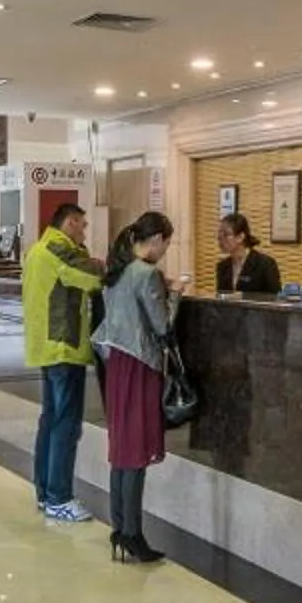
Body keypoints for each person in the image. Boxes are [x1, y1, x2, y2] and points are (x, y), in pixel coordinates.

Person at [94, 210, 177, 565]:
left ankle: (121, 528)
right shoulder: (147, 274)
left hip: (116, 364)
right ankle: (133, 534)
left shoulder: (117, 272)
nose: (165, 251)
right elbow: (163, 325)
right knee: (137, 453)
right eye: (167, 243)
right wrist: (177, 294)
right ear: (156, 238)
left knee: (121, 452)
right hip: (141, 365)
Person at [20, 204, 105, 524]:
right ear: (68, 223)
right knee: (66, 425)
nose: (84, 232)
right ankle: (59, 497)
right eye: (82, 225)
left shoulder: (38, 249)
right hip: (63, 346)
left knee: (51, 420)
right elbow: (92, 278)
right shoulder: (59, 248)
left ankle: (45, 493)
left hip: (47, 346)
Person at [214, 211, 283, 296]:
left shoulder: (265, 264)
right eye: (219, 234)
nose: (220, 239)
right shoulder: (222, 267)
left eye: (225, 234)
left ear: (240, 237)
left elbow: (275, 300)